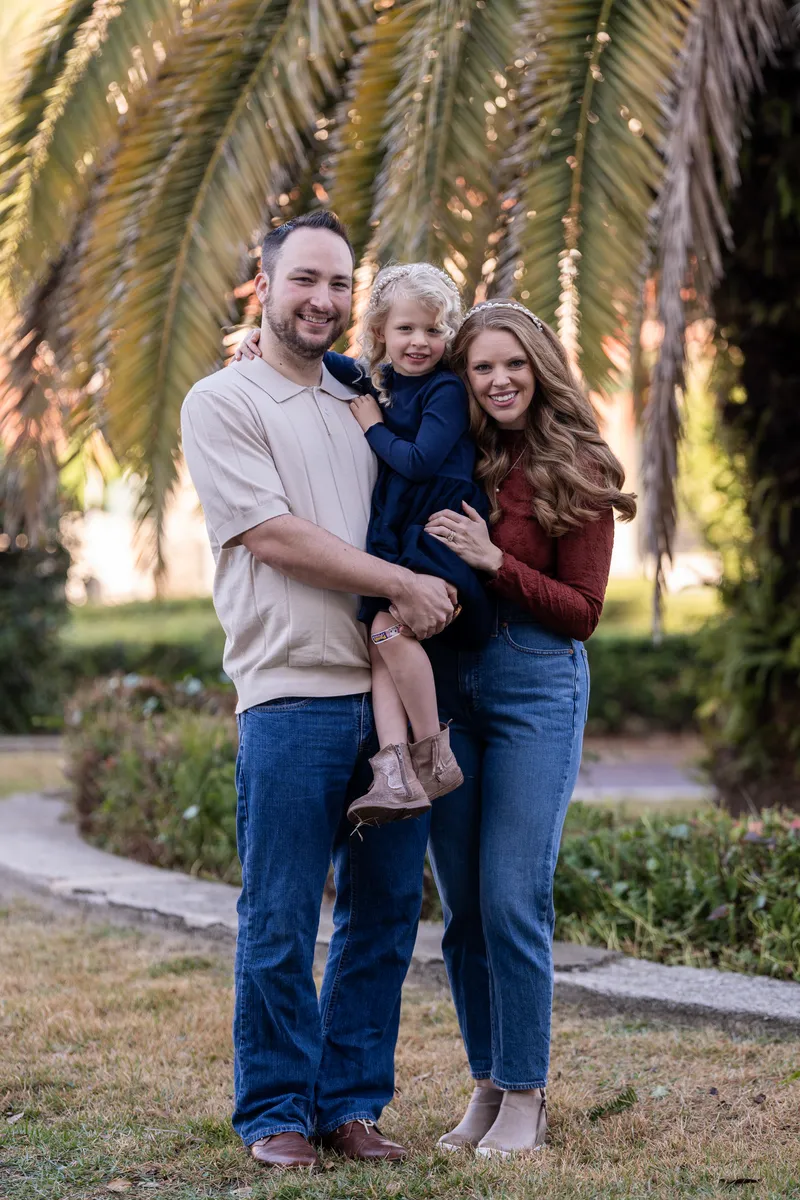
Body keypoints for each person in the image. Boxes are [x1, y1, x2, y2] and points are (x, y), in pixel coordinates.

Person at [180, 211, 456, 1172]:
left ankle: (350, 1105)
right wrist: (400, 583)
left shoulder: (363, 396)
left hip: (389, 699)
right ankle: (274, 1112)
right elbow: (272, 535)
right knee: (282, 917)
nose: (323, 299)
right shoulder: (223, 400)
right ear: (264, 285)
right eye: (304, 279)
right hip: (291, 695)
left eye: (339, 284)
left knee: (382, 919)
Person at [422, 300, 637, 1158]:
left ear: (541, 367)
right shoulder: (451, 451)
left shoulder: (577, 462)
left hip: (534, 684)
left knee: (512, 896)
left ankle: (525, 1092)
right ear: (464, 377)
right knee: (462, 909)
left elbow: (583, 612)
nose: (499, 379)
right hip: (446, 683)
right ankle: (486, 1080)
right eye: (482, 366)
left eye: (514, 363)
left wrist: (493, 560)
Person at [239, 262, 493, 828]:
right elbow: (327, 361)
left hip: (436, 530)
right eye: (405, 329)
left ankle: (433, 752)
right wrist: (261, 338)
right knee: (381, 640)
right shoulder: (377, 379)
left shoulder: (445, 389)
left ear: (448, 334)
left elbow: (419, 461)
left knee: (388, 631)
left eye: (433, 330)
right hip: (399, 533)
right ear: (380, 330)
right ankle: (394, 770)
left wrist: (372, 426)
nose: (419, 341)